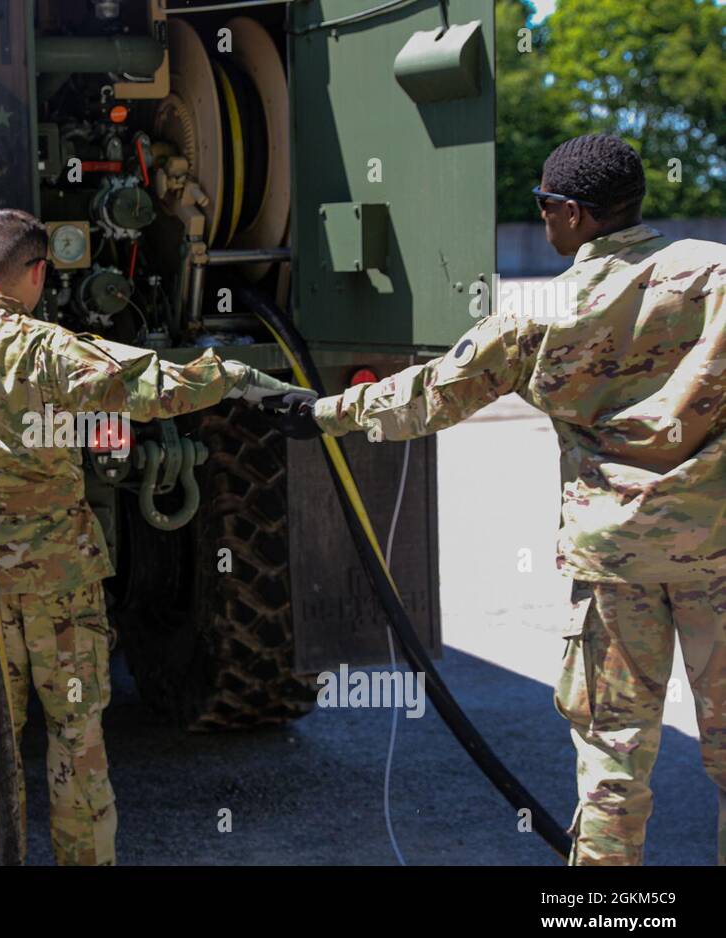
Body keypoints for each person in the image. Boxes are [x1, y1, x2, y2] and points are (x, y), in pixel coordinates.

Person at [282, 133, 726, 866]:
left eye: (545, 206)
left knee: (614, 763)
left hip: (616, 567)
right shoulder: (713, 274)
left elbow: (435, 395)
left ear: (576, 215)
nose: (543, 219)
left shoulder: (546, 308)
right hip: (716, 553)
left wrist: (321, 415)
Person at [0, 208, 292, 864]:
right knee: (76, 741)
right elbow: (152, 385)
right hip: (62, 584)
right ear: (38, 273)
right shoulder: (52, 350)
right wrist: (233, 377)